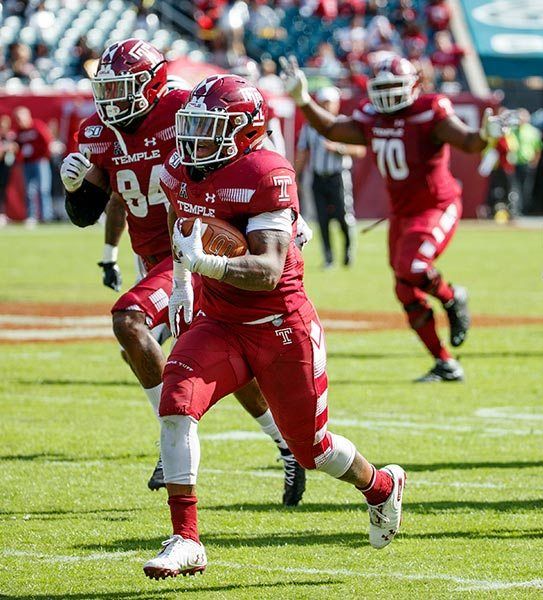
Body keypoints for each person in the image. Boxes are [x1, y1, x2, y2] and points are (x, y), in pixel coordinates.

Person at [144, 75, 405, 578]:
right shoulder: (181, 168)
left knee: (313, 450)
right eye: (193, 126)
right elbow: (184, 225)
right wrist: (180, 284)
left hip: (279, 324)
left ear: (244, 133)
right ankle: (186, 538)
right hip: (219, 321)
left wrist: (203, 266)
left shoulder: (267, 173)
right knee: (176, 402)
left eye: (209, 128)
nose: (194, 141)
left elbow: (265, 271)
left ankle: (381, 486)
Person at [60, 39, 307, 506]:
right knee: (219, 366)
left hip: (193, 249)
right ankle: (285, 444)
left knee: (129, 321)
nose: (111, 100)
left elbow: (251, 138)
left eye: (122, 88)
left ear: (151, 85)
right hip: (151, 258)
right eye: (105, 89)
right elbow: (88, 211)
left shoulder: (182, 107)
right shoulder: (96, 131)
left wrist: (288, 212)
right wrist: (74, 189)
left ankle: (166, 442)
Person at [282, 54, 509, 381]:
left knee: (412, 267)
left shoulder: (428, 112)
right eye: (382, 87)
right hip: (402, 214)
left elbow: (469, 143)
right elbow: (330, 127)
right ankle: (445, 362)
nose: (387, 95)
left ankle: (452, 297)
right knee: (405, 290)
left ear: (413, 86)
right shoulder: (372, 118)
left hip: (436, 206)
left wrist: (486, 136)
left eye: (394, 86)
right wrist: (303, 99)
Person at [296, 86, 365, 268]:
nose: (326, 106)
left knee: (343, 216)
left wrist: (339, 148)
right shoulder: (310, 125)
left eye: (329, 102)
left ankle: (348, 252)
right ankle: (328, 258)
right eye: (323, 102)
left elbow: (360, 150)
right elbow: (303, 151)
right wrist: (296, 175)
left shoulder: (344, 123)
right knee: (322, 219)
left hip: (338, 176)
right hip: (318, 176)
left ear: (337, 104)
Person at [13, 106, 54, 225]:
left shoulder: (37, 126)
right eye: (17, 119)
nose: (19, 121)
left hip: (40, 162)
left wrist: (44, 156)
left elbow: (48, 141)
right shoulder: (19, 132)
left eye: (21, 118)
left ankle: (46, 216)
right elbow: (17, 146)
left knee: (43, 189)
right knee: (29, 190)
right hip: (27, 163)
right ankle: (31, 216)